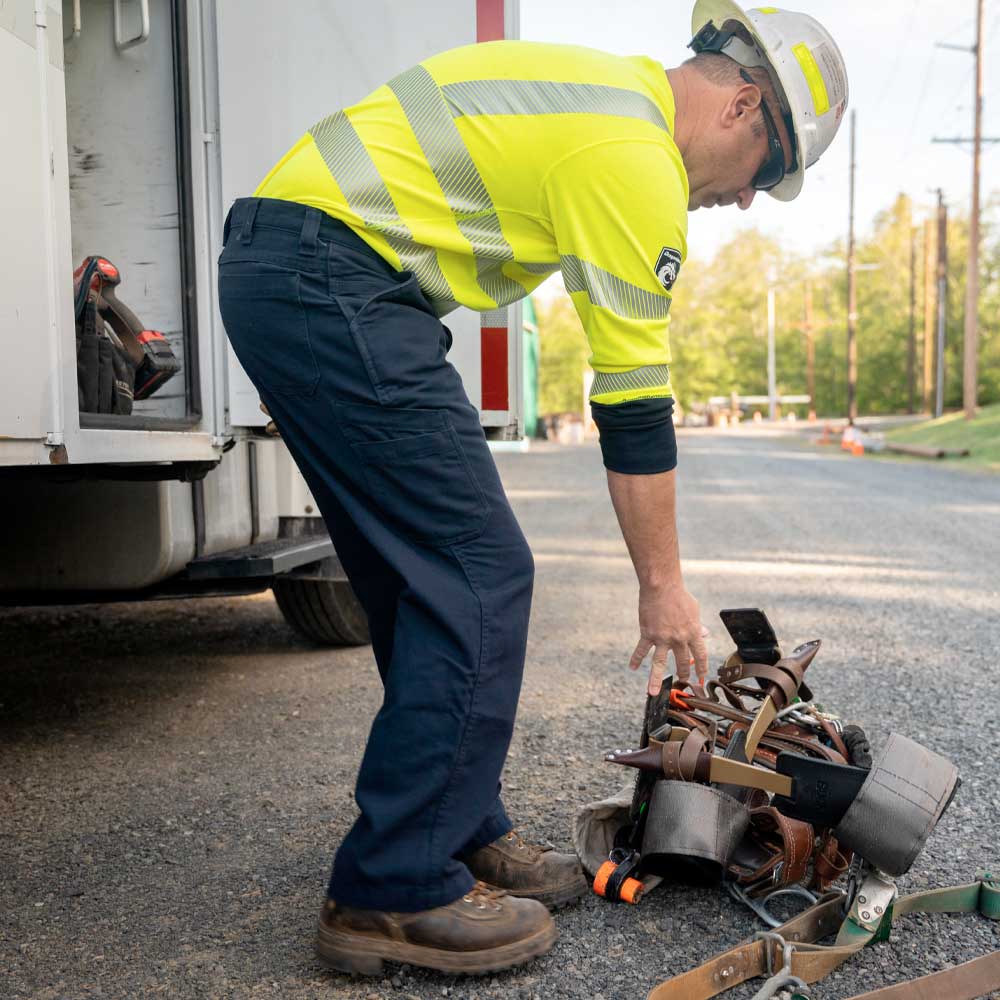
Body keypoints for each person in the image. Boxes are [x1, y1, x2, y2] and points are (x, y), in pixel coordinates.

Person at [217, 0, 848, 977]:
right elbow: (635, 402)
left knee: (417, 577)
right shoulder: (633, 158)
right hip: (331, 270)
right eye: (768, 171)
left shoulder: (604, 93)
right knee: (479, 571)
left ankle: (456, 821)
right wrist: (662, 584)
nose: (748, 200)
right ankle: (391, 886)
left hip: (298, 264)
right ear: (743, 106)